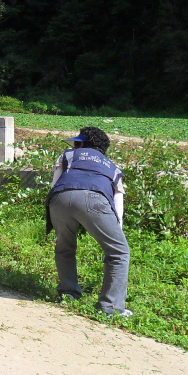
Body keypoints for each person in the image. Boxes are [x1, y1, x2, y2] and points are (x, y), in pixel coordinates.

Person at [46, 126, 132, 318]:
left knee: (64, 247)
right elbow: (118, 200)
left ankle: (69, 294)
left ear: (83, 143)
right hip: (94, 200)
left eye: (77, 142)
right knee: (119, 252)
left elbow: (55, 185)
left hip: (59, 199)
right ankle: (110, 308)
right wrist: (117, 231)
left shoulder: (68, 156)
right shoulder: (112, 167)